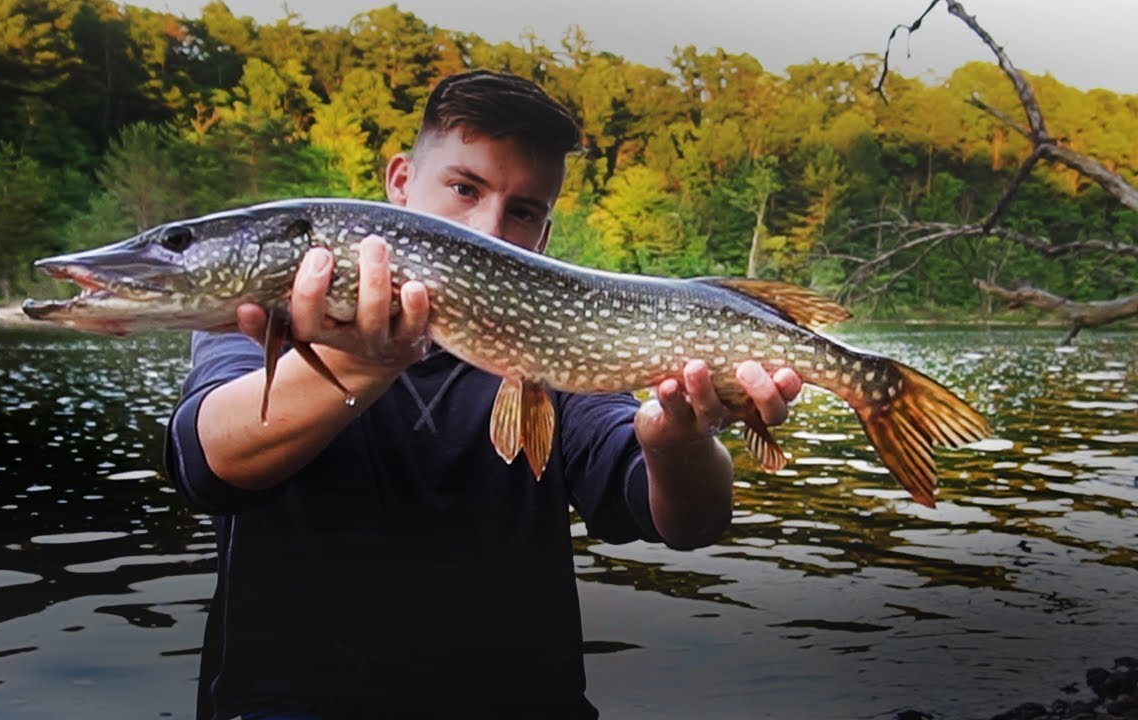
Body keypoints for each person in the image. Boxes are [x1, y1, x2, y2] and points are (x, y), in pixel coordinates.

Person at [165, 70, 801, 720]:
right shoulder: (274, 320)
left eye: (523, 211)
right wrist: (366, 362)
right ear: (400, 183)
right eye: (464, 188)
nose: (490, 227)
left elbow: (687, 523)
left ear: (546, 238)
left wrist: (678, 446)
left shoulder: (554, 352)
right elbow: (209, 464)